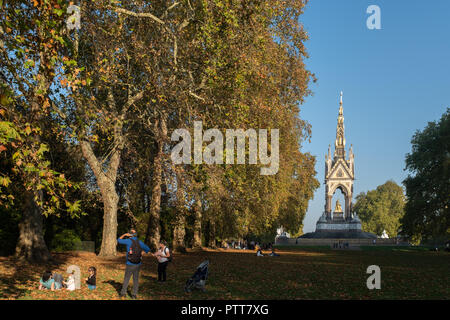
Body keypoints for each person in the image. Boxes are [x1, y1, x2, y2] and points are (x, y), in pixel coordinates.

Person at [117, 229, 150, 299]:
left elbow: (118, 240)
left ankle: (123, 293)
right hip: (138, 263)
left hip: (129, 263)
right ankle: (134, 295)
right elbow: (147, 249)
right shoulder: (139, 242)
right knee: (135, 279)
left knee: (126, 278)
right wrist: (142, 253)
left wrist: (124, 235)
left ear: (130, 234)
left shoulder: (128, 241)